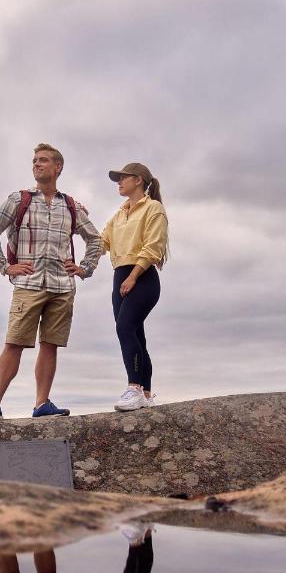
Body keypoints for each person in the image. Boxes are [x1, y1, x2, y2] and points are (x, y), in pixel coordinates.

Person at [0, 143, 103, 421]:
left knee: (50, 345)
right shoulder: (19, 200)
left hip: (62, 287)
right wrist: (5, 267)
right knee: (14, 342)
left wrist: (84, 268)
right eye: (34, 160)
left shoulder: (70, 206)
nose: (37, 164)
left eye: (43, 160)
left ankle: (42, 403)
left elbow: (95, 239)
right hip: (28, 284)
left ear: (58, 167)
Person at [100, 163, 168, 411]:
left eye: (123, 178)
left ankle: (134, 388)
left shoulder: (153, 208)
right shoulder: (118, 215)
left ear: (138, 180)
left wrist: (133, 277)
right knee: (136, 334)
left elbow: (153, 246)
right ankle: (146, 394)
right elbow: (101, 242)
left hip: (143, 277)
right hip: (120, 275)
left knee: (125, 327)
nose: (119, 182)